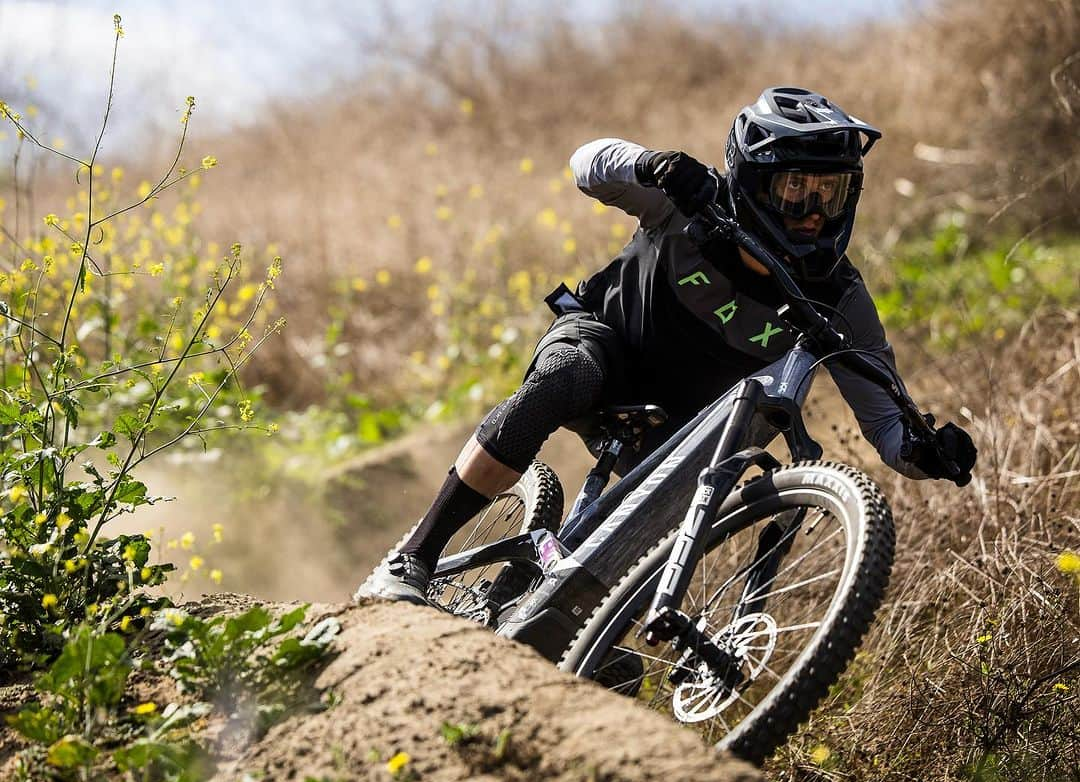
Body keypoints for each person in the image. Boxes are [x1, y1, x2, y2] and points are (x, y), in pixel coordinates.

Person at [356, 86, 977, 605]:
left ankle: (559, 623)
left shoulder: (839, 298)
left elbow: (885, 422)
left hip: (682, 436)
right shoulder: (692, 200)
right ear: (756, 182)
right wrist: (648, 163)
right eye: (795, 190)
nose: (813, 210)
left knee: (663, 540)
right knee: (565, 374)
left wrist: (924, 453)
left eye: (831, 192)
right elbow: (585, 163)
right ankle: (412, 560)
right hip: (604, 350)